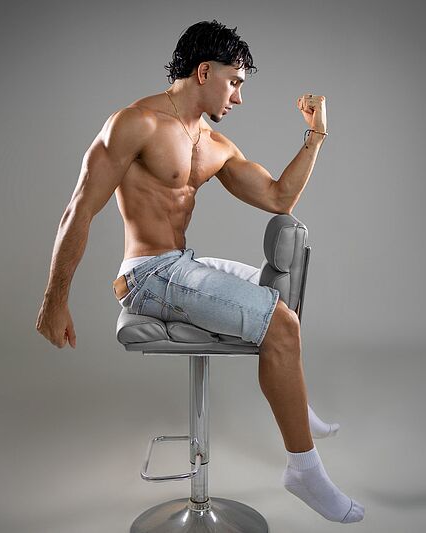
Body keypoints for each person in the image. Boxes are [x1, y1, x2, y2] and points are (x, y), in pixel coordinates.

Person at [35, 20, 363, 524]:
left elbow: (279, 197)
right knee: (280, 324)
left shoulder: (213, 143)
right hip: (149, 275)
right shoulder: (135, 123)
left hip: (181, 264)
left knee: (276, 299)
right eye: (235, 82)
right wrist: (54, 300)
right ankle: (304, 470)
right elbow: (80, 209)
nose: (239, 97)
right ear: (204, 71)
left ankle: (298, 408)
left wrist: (315, 135)